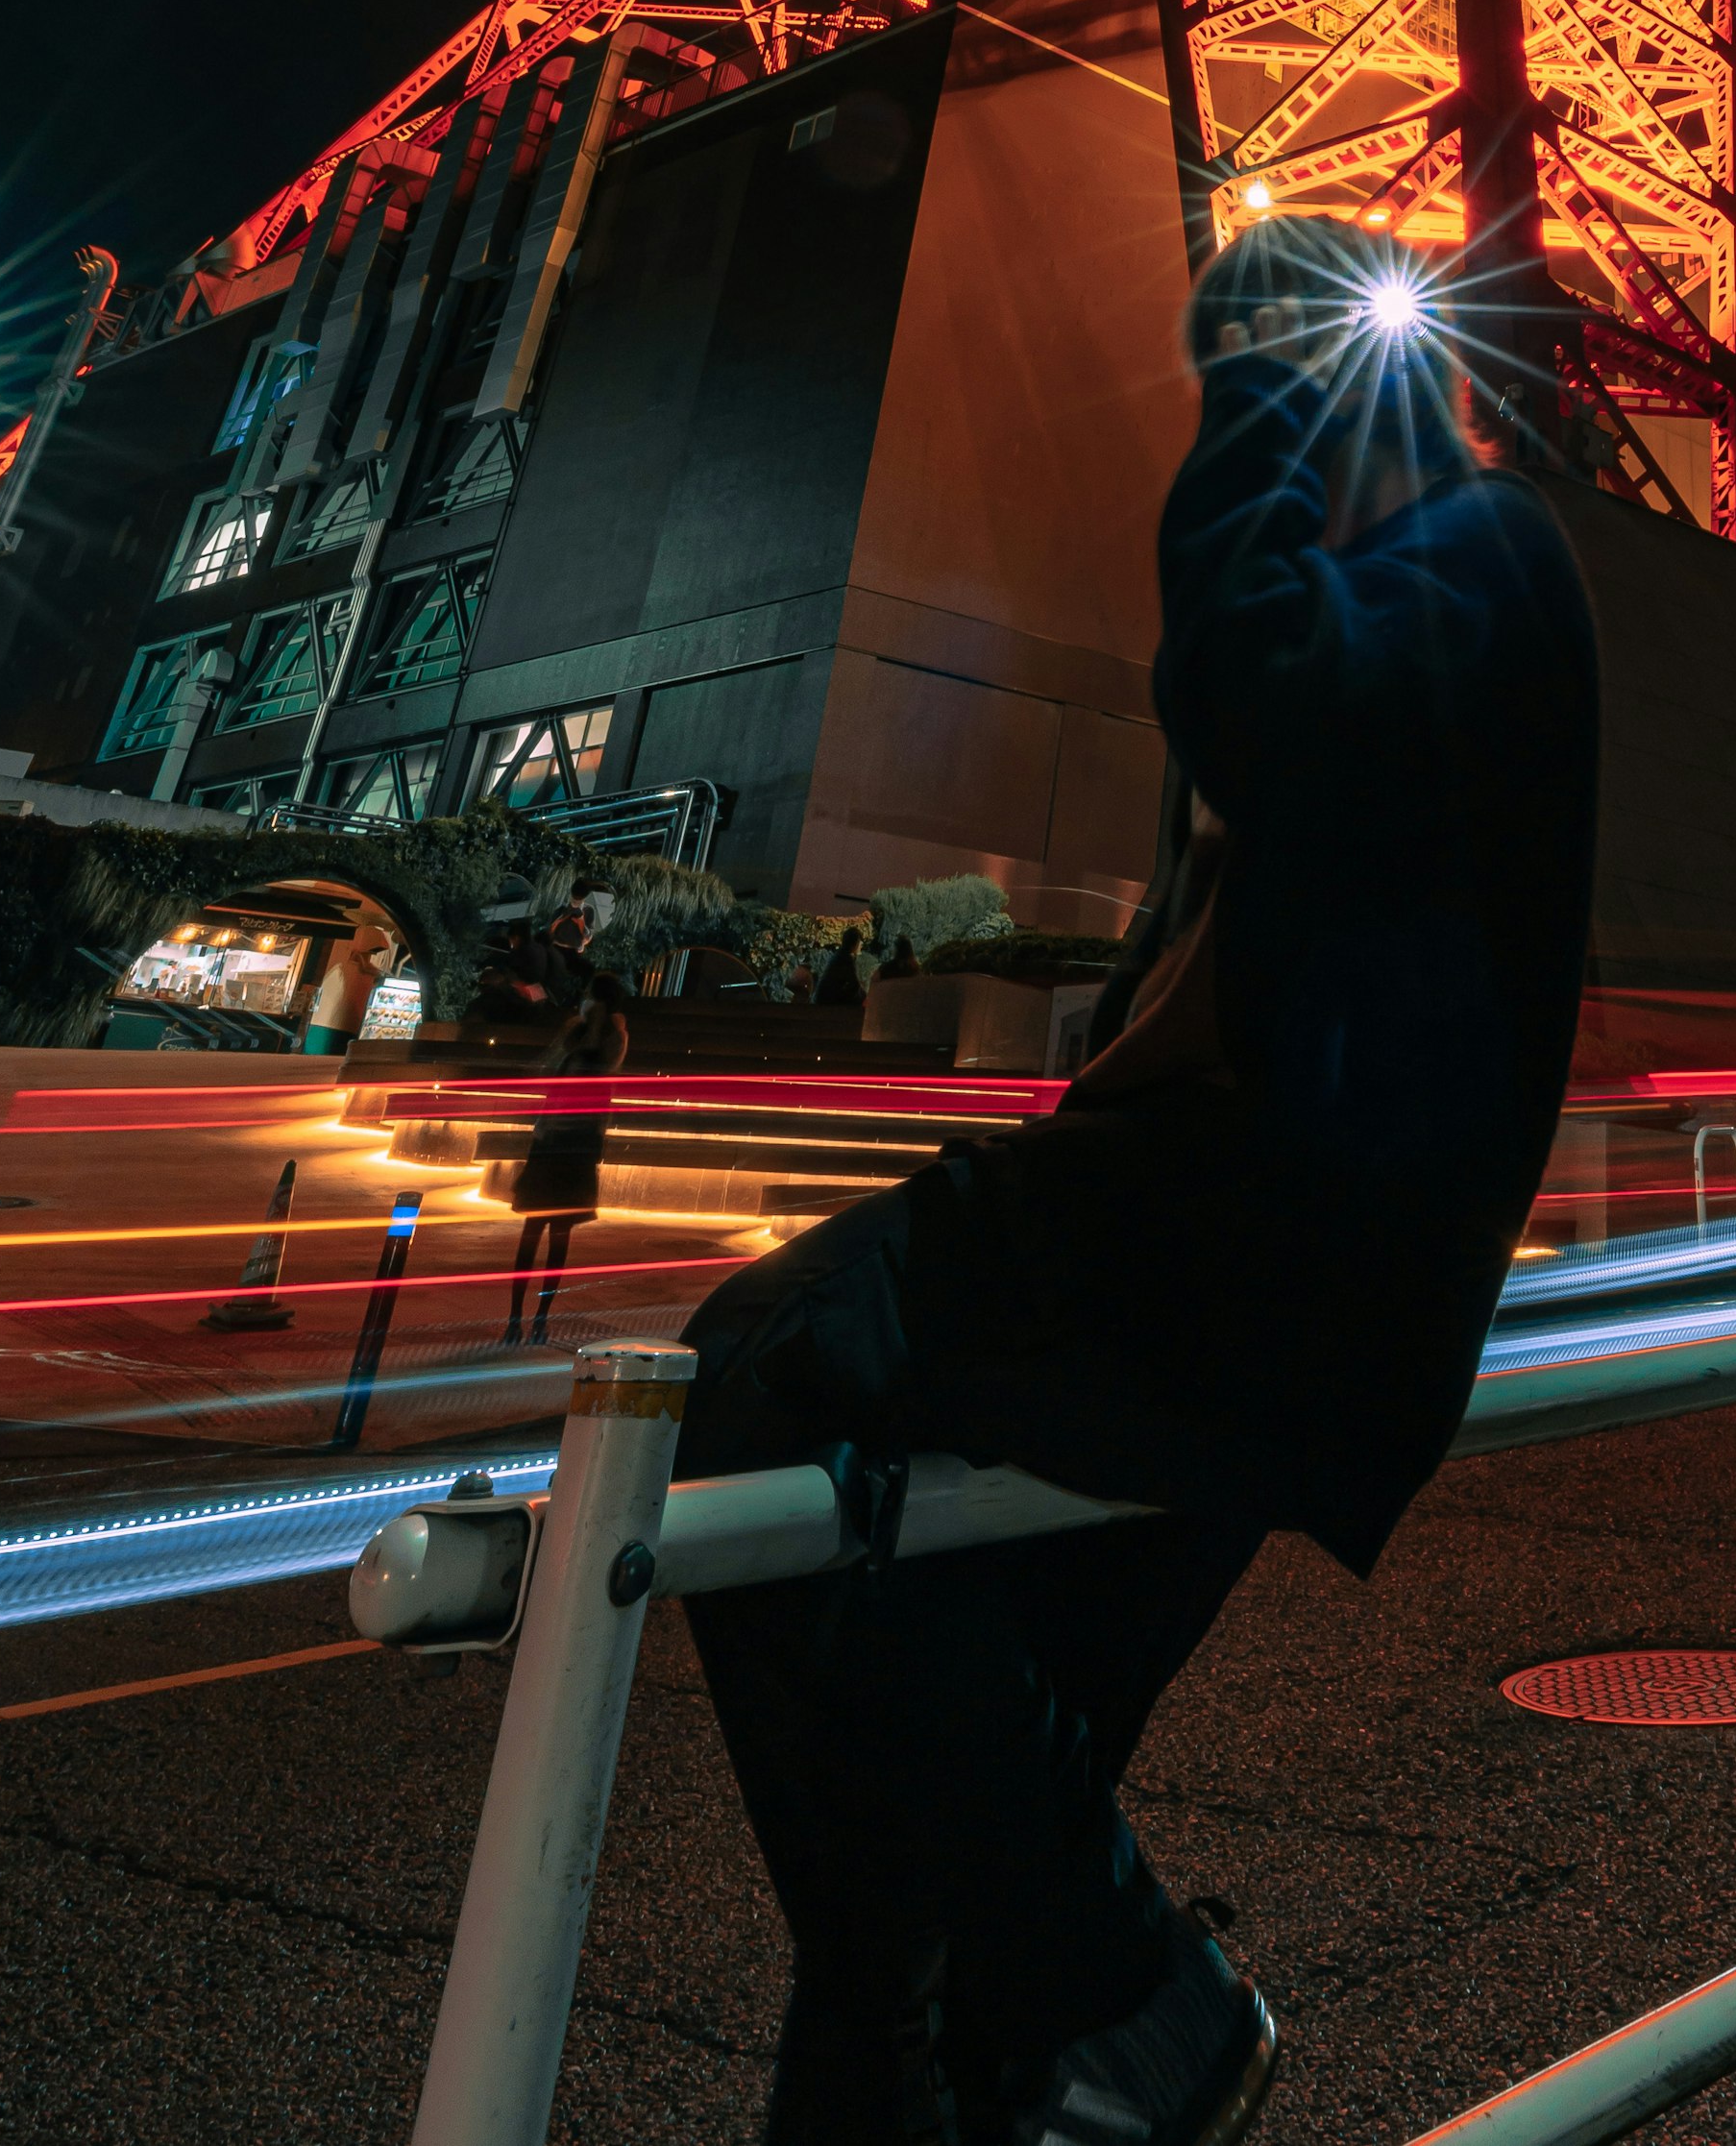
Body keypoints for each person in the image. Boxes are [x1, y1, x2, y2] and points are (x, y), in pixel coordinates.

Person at [677, 217, 1600, 2146]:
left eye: (1287, 368)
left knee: (757, 1360)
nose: (1256, 401)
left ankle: (1131, 1995)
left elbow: (1259, 689)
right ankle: (1032, 2046)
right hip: (1232, 1275)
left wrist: (1264, 373)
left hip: (1255, 1253)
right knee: (931, 1838)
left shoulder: (1490, 554)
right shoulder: (1392, 604)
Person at [499, 893, 629, 1346]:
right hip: (573, 1149)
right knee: (553, 1240)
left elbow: (554, 1072)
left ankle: (522, 1319)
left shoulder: (597, 1038)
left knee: (536, 1235)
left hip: (558, 1144)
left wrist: (588, 1021)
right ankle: (532, 1320)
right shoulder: (607, 1038)